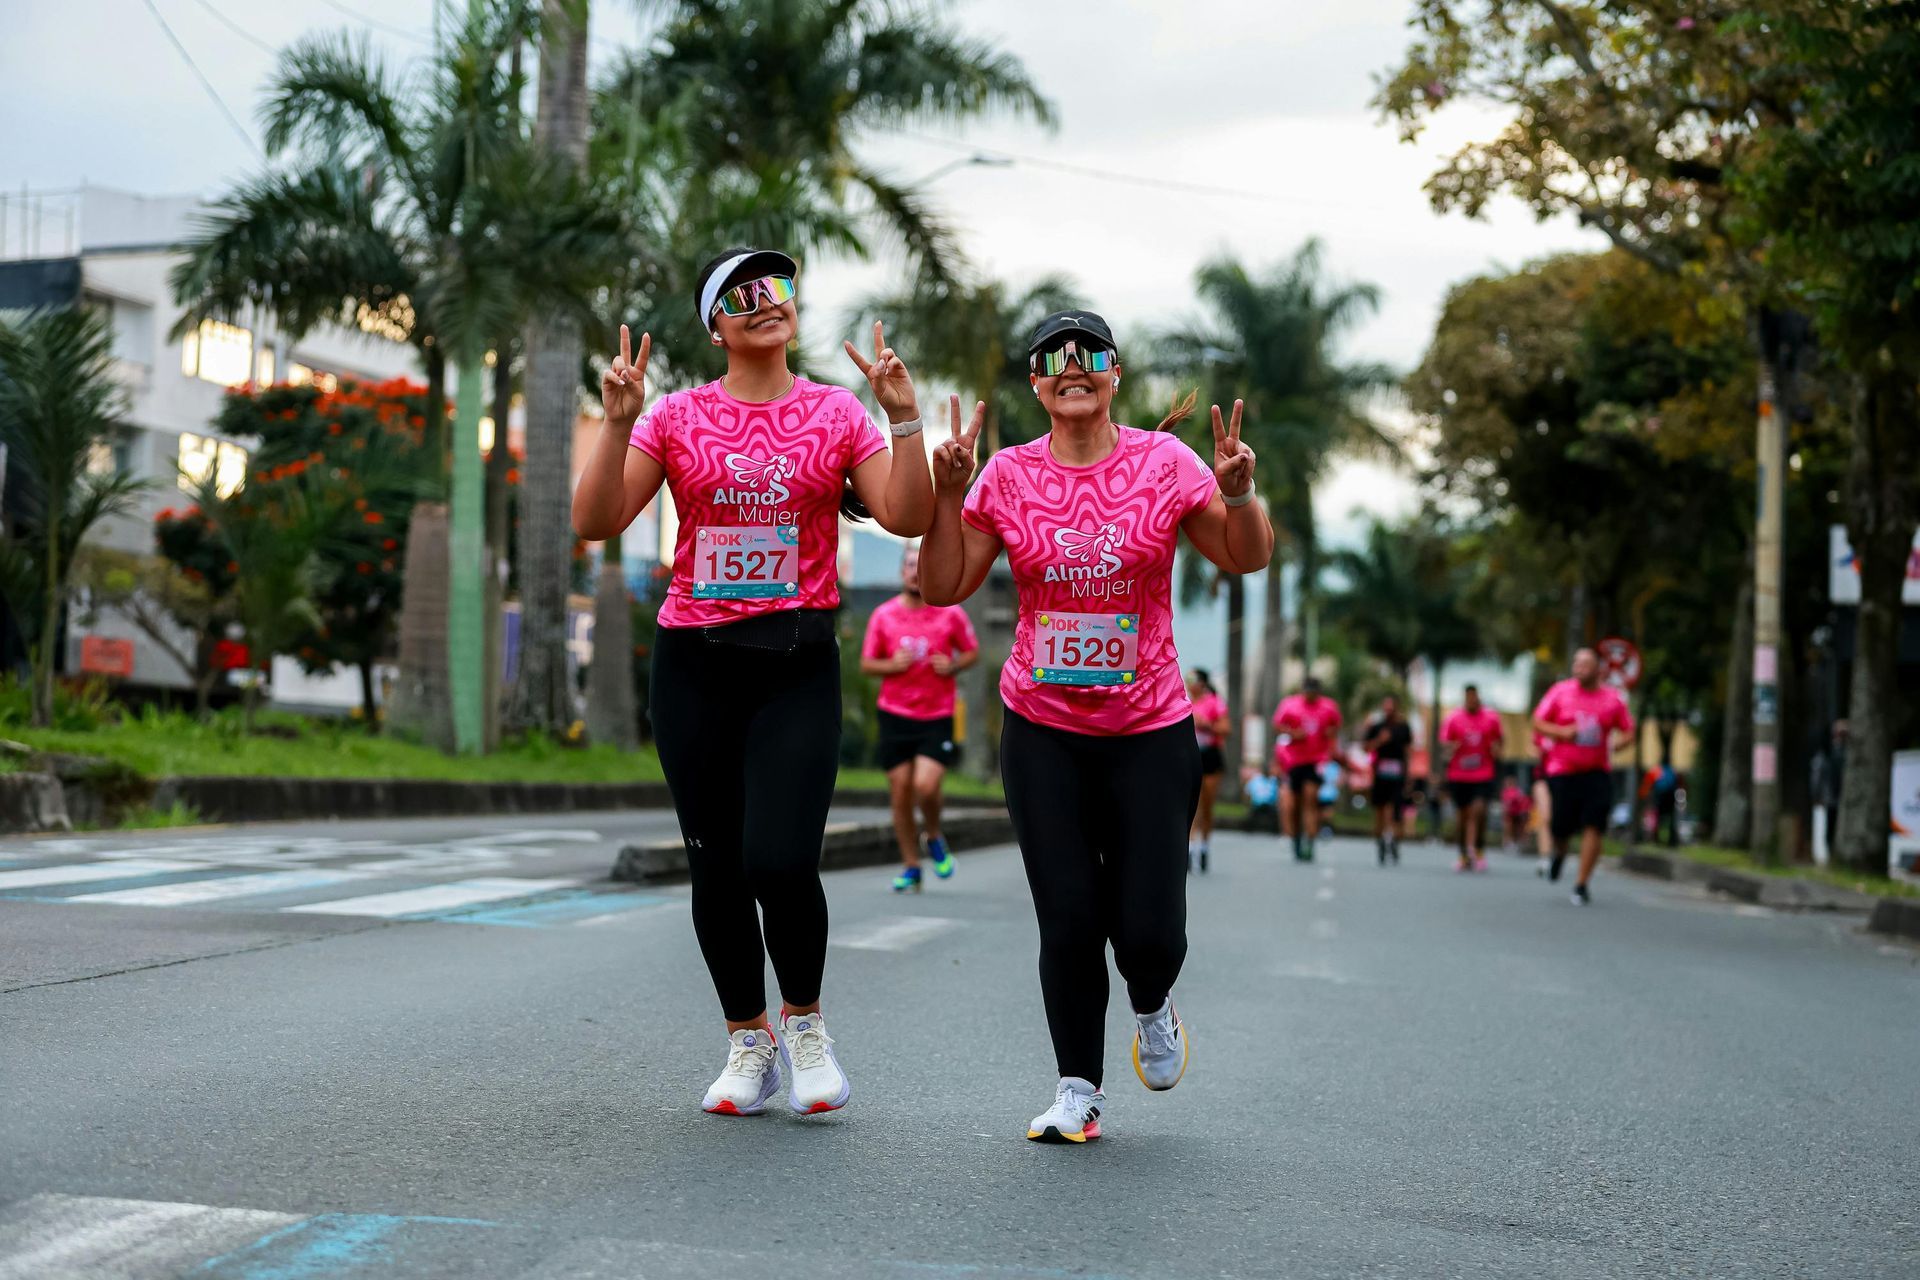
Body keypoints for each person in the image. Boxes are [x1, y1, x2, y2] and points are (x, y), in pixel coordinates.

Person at [572, 247, 934, 1117]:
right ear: (716, 325)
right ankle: (748, 1042)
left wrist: (905, 420)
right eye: (742, 296)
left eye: (776, 288)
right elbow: (595, 520)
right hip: (693, 664)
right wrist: (617, 422)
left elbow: (910, 515)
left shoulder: (835, 411)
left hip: (794, 664)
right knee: (717, 867)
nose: (765, 302)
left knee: (778, 856)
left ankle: (805, 1027)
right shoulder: (675, 414)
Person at [918, 307, 1272, 1144]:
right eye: (1052, 359)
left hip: (1149, 726)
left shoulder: (1164, 461)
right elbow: (943, 586)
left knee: (1149, 930)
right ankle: (1077, 1090)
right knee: (1068, 915)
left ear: (1115, 374)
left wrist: (1240, 493)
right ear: (1035, 383)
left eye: (1091, 356)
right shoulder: (1005, 474)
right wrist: (945, 491)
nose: (1071, 368)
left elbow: (1245, 555)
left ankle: (1151, 1002)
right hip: (1043, 729)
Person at [861, 547, 979, 892]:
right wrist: (891, 665)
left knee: (925, 785)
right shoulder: (883, 616)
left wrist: (954, 665)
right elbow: (868, 665)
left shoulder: (950, 614)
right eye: (910, 567)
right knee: (900, 792)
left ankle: (934, 835)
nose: (915, 573)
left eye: (921, 566)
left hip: (937, 714)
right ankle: (911, 865)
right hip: (895, 714)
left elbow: (971, 652)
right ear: (902, 574)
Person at [1532, 648, 1635, 905]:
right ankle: (1559, 853)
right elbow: (1537, 721)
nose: (1579, 668)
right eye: (1576, 663)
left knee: (1594, 825)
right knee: (1561, 827)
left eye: (1585, 665)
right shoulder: (1560, 692)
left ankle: (1581, 883)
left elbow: (1628, 731)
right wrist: (1561, 732)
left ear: (1598, 670)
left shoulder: (1613, 699)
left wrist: (1615, 747)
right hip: (1562, 771)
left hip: (1597, 772)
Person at [1273, 677, 1343, 862]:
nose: (1310, 695)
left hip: (1316, 760)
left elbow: (1335, 727)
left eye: (1313, 692)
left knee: (1310, 800)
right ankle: (1296, 839)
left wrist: (1330, 735)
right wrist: (1292, 733)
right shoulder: (1290, 704)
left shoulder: (1328, 707)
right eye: (1307, 691)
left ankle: (1310, 842)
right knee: (1294, 805)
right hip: (1294, 760)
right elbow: (1277, 725)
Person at [1440, 684, 1504, 872]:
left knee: (1479, 810)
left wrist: (1496, 750)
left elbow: (1500, 743)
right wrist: (1451, 748)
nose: (1471, 701)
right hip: (1459, 775)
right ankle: (1463, 855)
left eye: (1474, 697)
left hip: (1483, 773)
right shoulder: (1454, 718)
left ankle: (1479, 850)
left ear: (1478, 697)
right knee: (1462, 816)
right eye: (1468, 698)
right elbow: (1445, 745)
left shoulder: (1491, 718)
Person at [1187, 670, 1231, 873]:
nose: (1189, 683)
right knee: (1188, 804)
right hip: (1188, 753)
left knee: (1206, 803)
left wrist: (1207, 725)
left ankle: (1204, 846)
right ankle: (1189, 848)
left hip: (1210, 755)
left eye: (1193, 680)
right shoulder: (1181, 698)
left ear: (1202, 683)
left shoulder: (1213, 702)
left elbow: (1226, 729)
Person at [1361, 694, 1413, 865]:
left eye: (1392, 706)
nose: (1389, 710)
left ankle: (1394, 842)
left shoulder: (1404, 727)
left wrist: (1409, 775)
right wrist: (1379, 741)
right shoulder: (1377, 727)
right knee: (1380, 811)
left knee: (1396, 811)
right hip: (1380, 776)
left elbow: (1408, 751)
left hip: (1398, 775)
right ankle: (1381, 842)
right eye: (1386, 706)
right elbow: (1366, 748)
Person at [1500, 775, 1532, 852]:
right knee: (1509, 827)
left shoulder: (1517, 791)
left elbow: (1522, 802)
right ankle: (1508, 842)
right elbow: (1505, 804)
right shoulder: (1505, 792)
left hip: (1517, 813)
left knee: (1518, 827)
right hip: (1510, 813)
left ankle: (1518, 842)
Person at [1245, 767, 1281, 833]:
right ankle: (1248, 829)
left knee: (1275, 816)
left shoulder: (1274, 780)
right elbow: (1248, 792)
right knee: (1251, 814)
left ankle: (1275, 831)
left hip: (1269, 805)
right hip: (1258, 804)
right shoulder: (1255, 779)